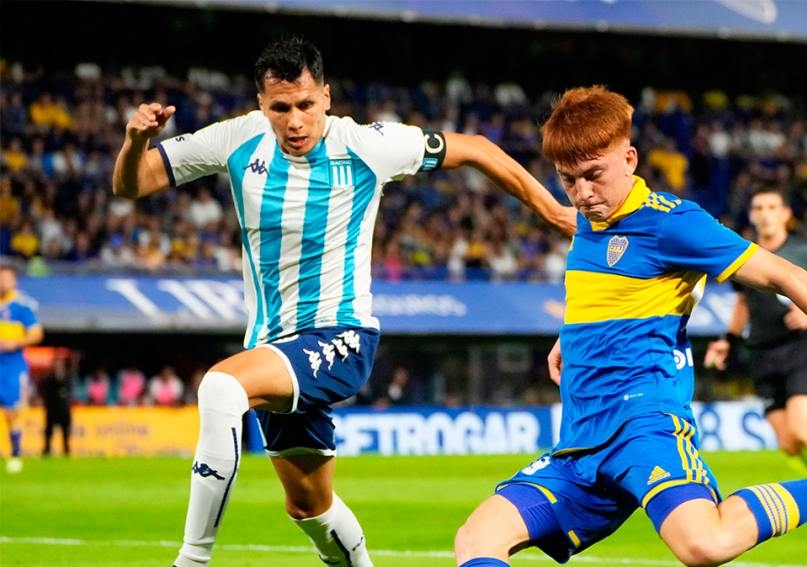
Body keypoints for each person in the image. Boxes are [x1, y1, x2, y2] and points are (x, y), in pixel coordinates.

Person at [112, 37, 575, 567]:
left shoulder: (367, 145)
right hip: (273, 347)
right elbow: (132, 185)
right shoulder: (237, 138)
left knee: (221, 386)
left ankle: (191, 559)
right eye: (280, 108)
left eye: (306, 105)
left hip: (341, 336)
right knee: (309, 507)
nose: (295, 121)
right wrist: (135, 142)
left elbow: (475, 147)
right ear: (261, 104)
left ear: (326, 97)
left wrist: (552, 211)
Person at [453, 87, 807, 567]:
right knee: (477, 539)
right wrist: (573, 334)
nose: (582, 194)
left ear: (630, 159)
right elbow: (570, 237)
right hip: (578, 440)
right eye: (568, 180)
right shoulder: (589, 219)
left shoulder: (673, 224)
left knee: (704, 545)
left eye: (593, 176)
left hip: (643, 425)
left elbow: (785, 276)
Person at [703, 186, 807, 523]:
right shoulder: (742, 254)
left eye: (771, 207)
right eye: (758, 207)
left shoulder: (805, 250)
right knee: (789, 444)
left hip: (798, 351)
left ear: (785, 214)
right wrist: (729, 340)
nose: (765, 213)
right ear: (752, 215)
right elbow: (743, 302)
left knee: (802, 432)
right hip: (761, 355)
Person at [0, 264, 44, 474]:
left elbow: (36, 334)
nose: (2, 283)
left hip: (12, 365)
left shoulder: (21, 306)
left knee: (12, 411)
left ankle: (16, 451)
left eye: (6, 279)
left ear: (14, 281)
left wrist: (14, 343)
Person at [39, 354, 73, 457]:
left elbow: (69, 391)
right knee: (49, 430)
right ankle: (47, 449)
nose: (58, 366)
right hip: (52, 408)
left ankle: (66, 450)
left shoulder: (67, 377)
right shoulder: (48, 378)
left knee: (65, 430)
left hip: (64, 408)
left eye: (60, 364)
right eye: (56, 364)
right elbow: (44, 391)